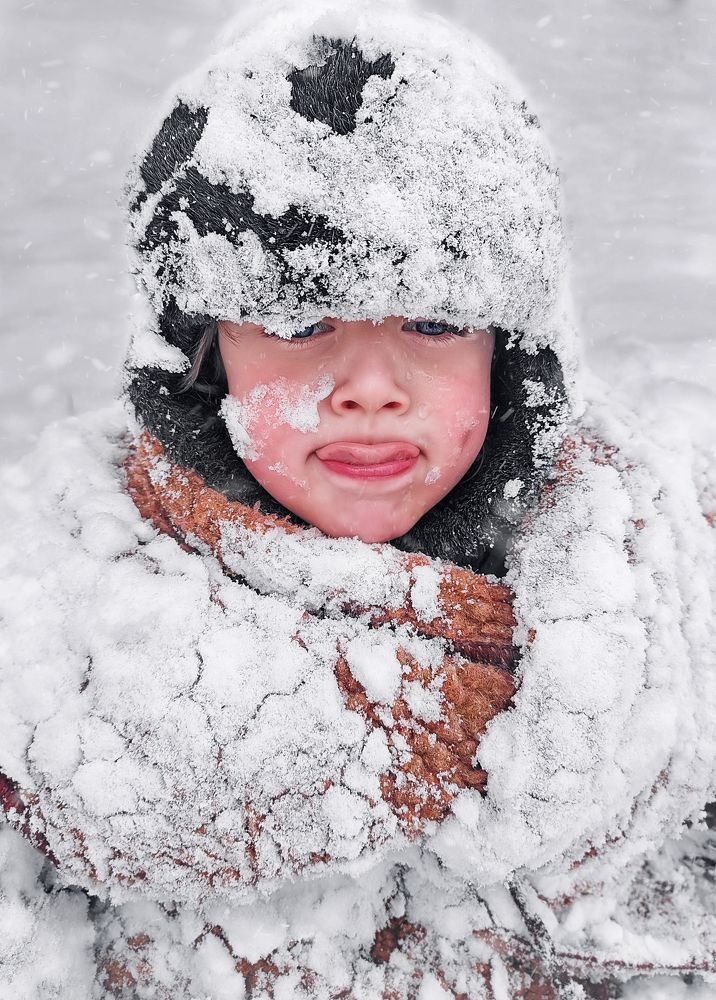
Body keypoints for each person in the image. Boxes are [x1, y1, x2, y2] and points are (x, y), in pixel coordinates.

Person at [1, 2, 714, 997]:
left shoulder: (672, 612)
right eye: (296, 320)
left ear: (510, 355)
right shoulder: (44, 636)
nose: (368, 384)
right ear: (201, 357)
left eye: (431, 318)